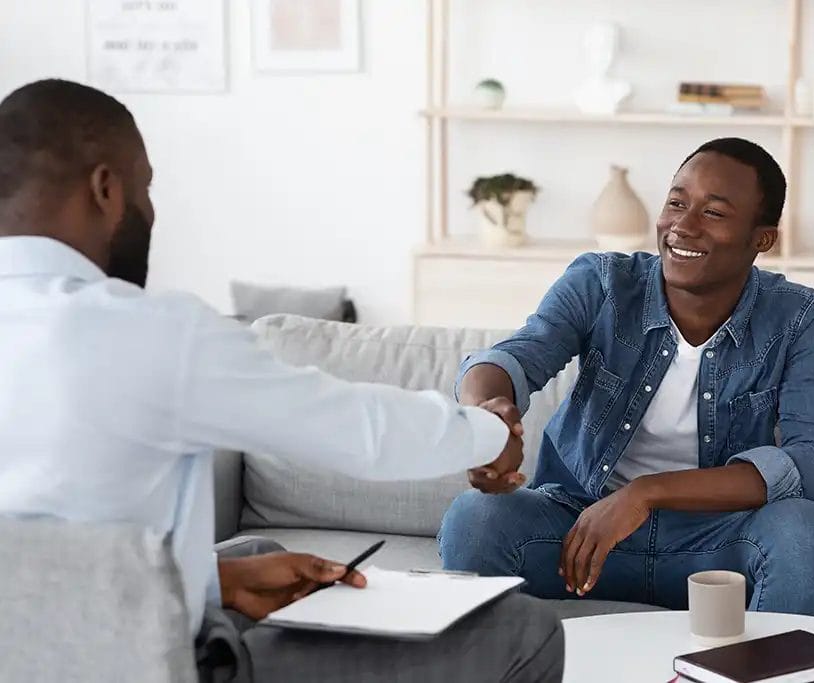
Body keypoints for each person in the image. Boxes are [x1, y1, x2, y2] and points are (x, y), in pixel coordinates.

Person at [0, 79, 562, 683]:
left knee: (255, 558)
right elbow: (357, 431)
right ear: (106, 189)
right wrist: (488, 432)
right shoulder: (147, 332)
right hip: (146, 664)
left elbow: (42, 571)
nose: (152, 212)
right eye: (146, 189)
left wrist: (217, 582)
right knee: (525, 631)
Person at [440, 137, 814, 619]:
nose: (682, 225)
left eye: (714, 213)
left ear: (761, 239)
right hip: (582, 533)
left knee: (805, 531)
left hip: (715, 543)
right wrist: (486, 413)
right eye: (677, 202)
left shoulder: (797, 317)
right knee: (475, 518)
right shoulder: (602, 284)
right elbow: (514, 358)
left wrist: (647, 493)